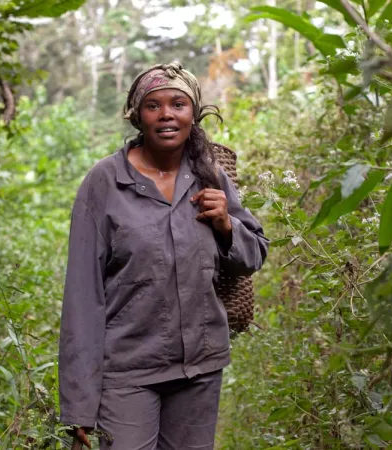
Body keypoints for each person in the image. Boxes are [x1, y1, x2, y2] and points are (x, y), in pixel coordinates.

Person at [58, 62, 269, 450]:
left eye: (178, 104)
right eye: (153, 106)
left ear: (194, 113)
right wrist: (80, 408)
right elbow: (82, 298)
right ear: (138, 116)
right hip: (127, 372)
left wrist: (226, 225)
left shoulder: (210, 175)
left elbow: (254, 255)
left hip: (200, 370)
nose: (167, 114)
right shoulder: (105, 182)